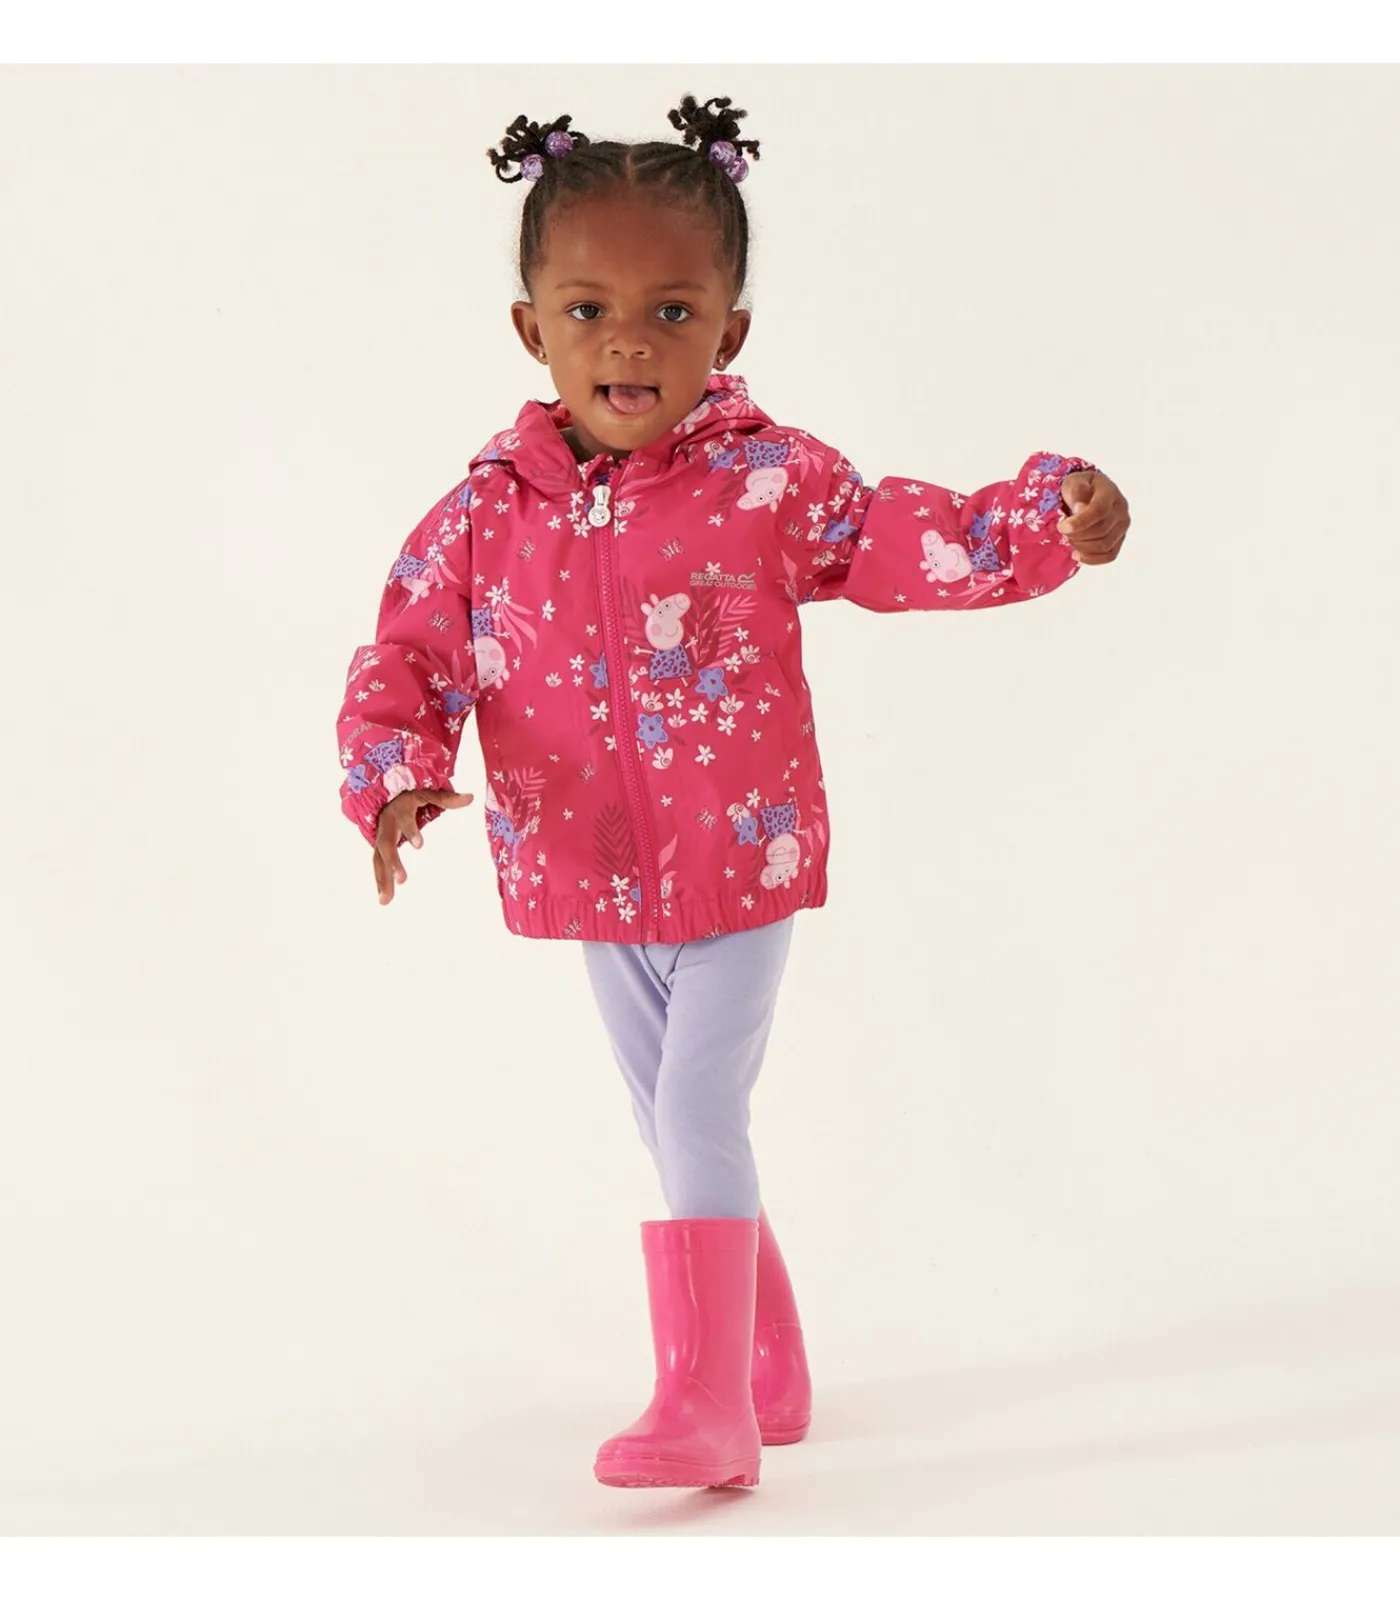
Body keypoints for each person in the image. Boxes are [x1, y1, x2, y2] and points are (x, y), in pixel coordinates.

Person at [334, 93, 1131, 1492]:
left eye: (673, 311)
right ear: (530, 328)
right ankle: (769, 1366)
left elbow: (900, 534)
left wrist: (1045, 516)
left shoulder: (767, 482)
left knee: (697, 1112)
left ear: (730, 330)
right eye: (588, 310)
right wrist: (398, 780)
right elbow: (410, 652)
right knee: (671, 1124)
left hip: (740, 859)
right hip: (587, 872)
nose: (629, 342)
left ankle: (704, 1403)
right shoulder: (483, 514)